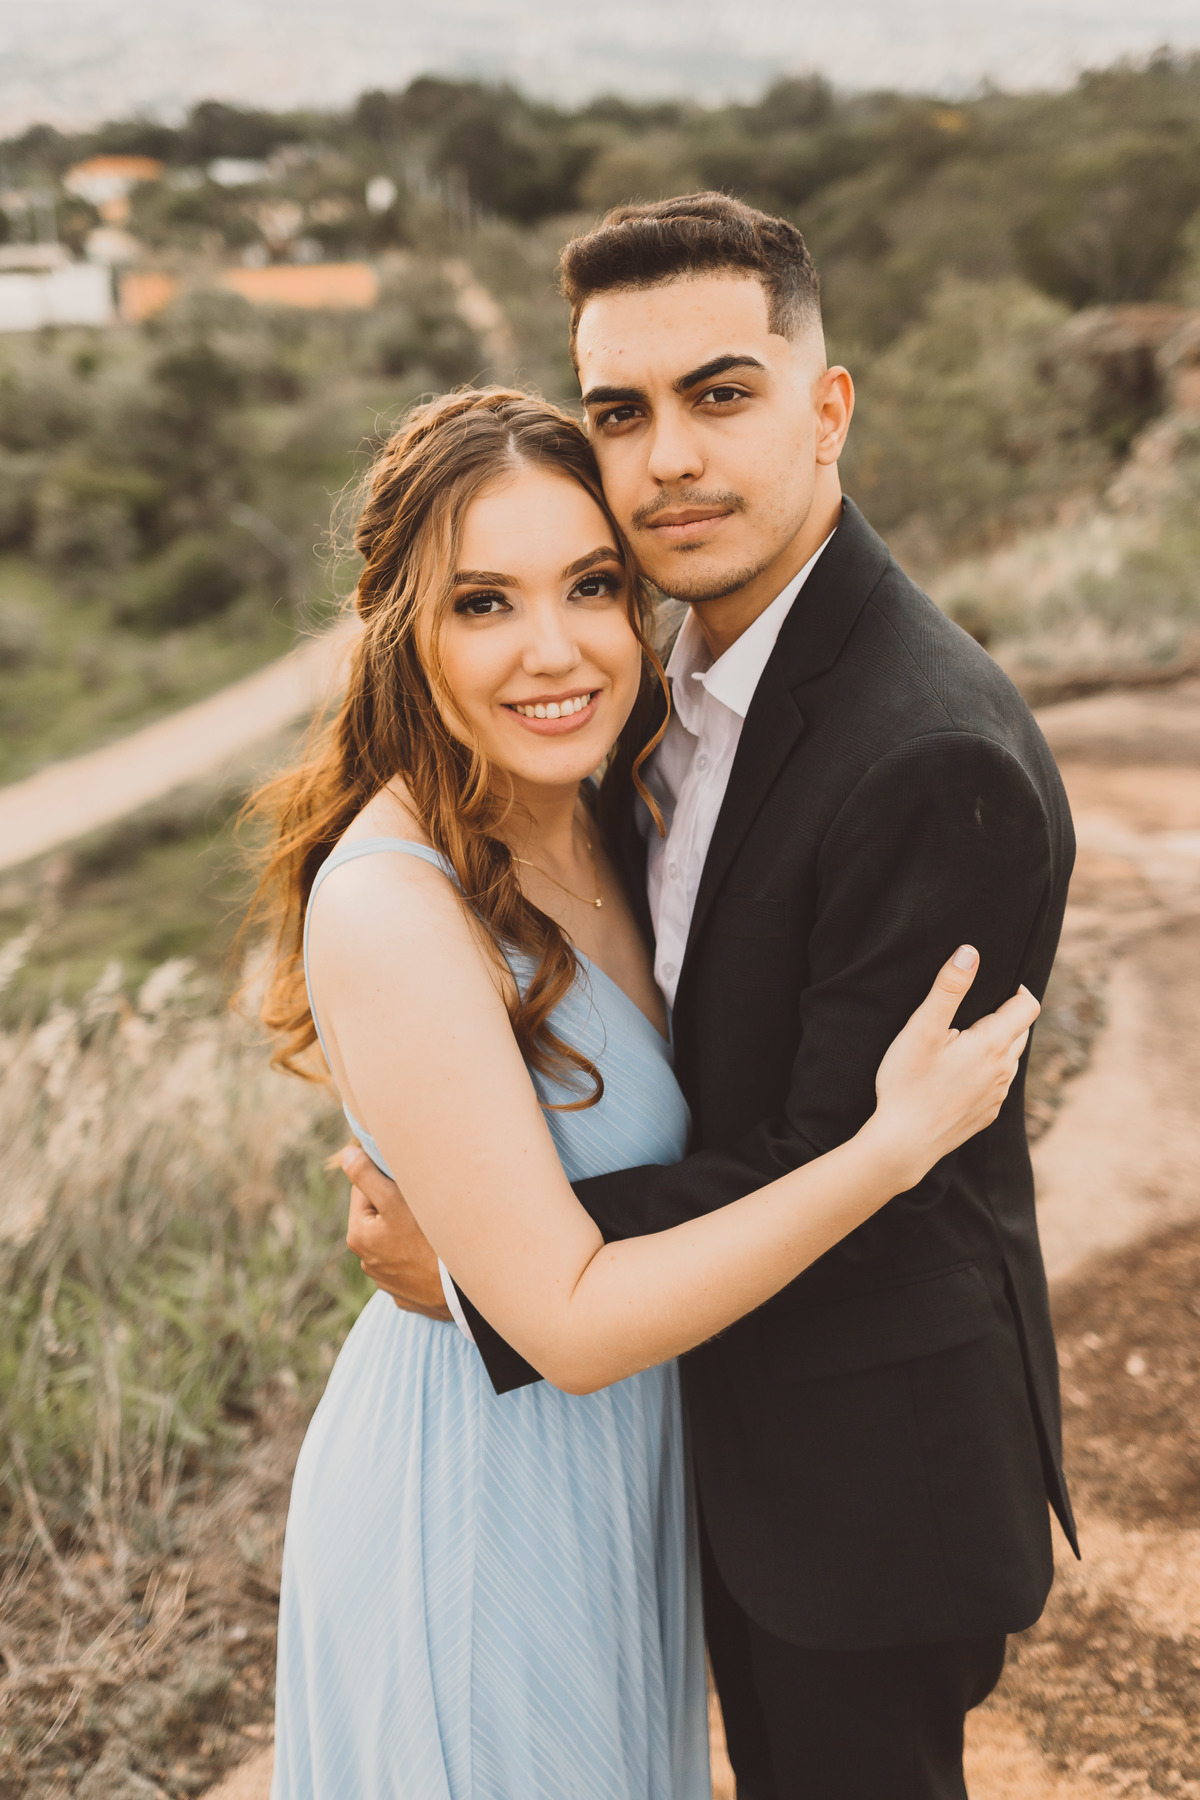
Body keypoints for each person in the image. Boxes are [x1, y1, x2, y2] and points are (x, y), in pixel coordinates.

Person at [346, 195, 1078, 1800]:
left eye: (722, 394)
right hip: (688, 1444)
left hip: (858, 1484)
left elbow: (841, 1150)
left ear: (829, 407)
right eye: (624, 411)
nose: (669, 454)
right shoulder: (643, 696)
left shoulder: (924, 751)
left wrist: (494, 1262)